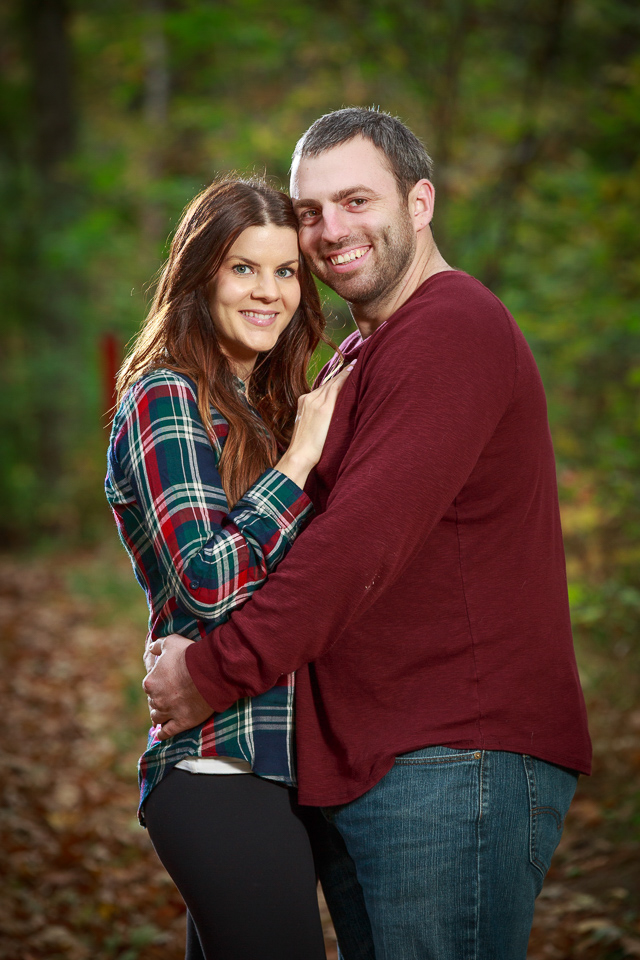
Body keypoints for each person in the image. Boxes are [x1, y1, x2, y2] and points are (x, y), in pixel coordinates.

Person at [143, 108, 592, 960]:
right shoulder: (359, 356)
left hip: (453, 756)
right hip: (371, 763)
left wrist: (211, 670)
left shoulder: (451, 327)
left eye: (356, 201)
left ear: (420, 202)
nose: (329, 230)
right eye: (310, 211)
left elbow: (356, 547)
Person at [105, 177, 352, 960]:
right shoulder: (164, 397)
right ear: (201, 272)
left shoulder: (264, 409)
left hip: (281, 770)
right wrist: (301, 460)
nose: (269, 292)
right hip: (218, 765)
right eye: (245, 268)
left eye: (285, 272)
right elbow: (206, 582)